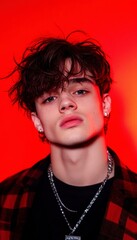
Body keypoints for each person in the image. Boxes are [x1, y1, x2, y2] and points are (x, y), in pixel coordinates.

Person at [0, 33, 137, 240]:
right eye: (50, 98)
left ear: (105, 105)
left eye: (80, 91)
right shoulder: (6, 198)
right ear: (37, 121)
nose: (66, 103)